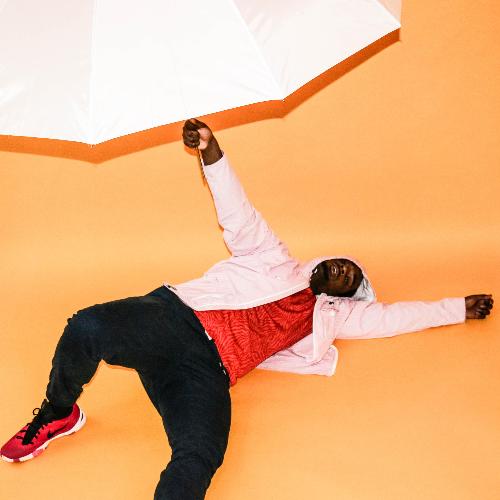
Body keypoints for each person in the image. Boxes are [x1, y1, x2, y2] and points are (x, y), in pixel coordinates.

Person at [1, 119, 494, 499]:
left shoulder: (332, 320)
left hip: (208, 372)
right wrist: (210, 150)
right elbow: (238, 211)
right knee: (87, 326)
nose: (346, 269)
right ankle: (59, 413)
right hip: (172, 318)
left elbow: (394, 318)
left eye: (353, 277)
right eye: (343, 263)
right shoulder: (271, 256)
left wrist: (457, 309)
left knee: (200, 455)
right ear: (324, 262)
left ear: (345, 296)